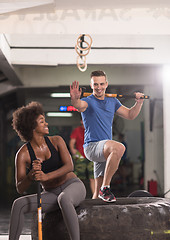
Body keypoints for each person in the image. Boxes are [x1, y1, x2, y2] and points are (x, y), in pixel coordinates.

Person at [9, 101, 86, 240]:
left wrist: (46, 176)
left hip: (73, 186)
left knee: (64, 198)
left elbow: (70, 166)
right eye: (42, 121)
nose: (46, 124)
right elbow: (20, 188)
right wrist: (30, 176)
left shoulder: (56, 141)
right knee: (18, 204)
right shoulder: (23, 154)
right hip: (51, 194)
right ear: (32, 126)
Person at [70, 70, 144, 202]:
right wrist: (75, 99)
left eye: (101, 84)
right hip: (92, 147)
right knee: (119, 148)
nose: (99, 87)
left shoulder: (112, 101)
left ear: (106, 84)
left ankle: (90, 219)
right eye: (96, 84)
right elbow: (78, 105)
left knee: (96, 198)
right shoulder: (88, 101)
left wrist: (138, 103)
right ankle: (106, 188)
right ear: (91, 85)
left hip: (105, 151)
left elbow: (130, 115)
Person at [69, 118, 95, 195]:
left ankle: (95, 196)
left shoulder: (92, 130)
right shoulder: (77, 130)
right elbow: (72, 142)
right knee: (80, 178)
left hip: (91, 155)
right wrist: (72, 149)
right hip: (80, 156)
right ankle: (79, 195)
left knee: (93, 177)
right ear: (81, 121)